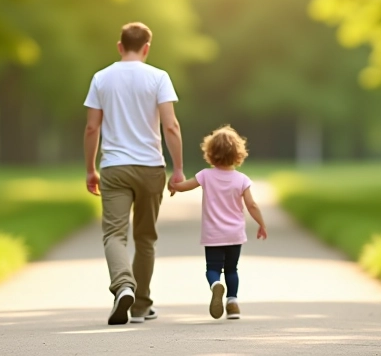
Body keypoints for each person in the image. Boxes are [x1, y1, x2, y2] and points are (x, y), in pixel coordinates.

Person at [84, 21, 185, 325]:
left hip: (114, 168)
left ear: (119, 46)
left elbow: (92, 127)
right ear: (146, 48)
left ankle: (123, 285)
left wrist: (90, 169)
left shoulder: (101, 78)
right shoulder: (158, 77)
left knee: (114, 234)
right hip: (151, 167)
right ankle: (140, 306)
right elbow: (171, 125)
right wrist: (178, 168)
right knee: (145, 238)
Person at [170, 125, 267, 319]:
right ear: (238, 153)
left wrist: (173, 185)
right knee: (232, 269)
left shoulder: (205, 175)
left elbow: (184, 186)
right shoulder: (242, 180)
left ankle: (215, 285)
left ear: (210, 153)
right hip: (234, 235)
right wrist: (261, 224)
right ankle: (232, 303)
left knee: (213, 269)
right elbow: (252, 205)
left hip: (213, 234)